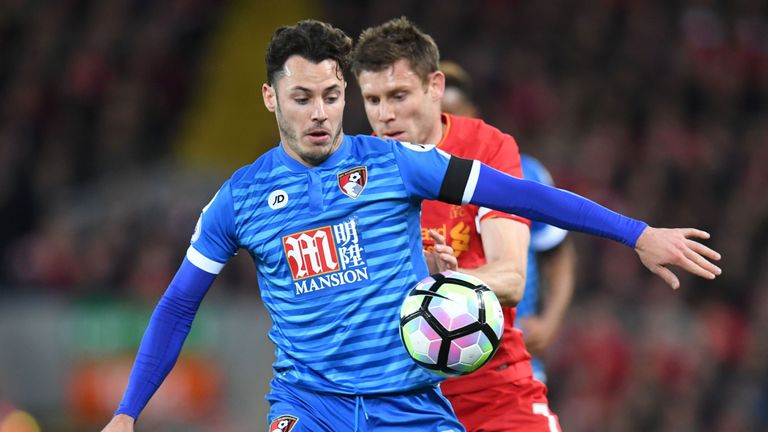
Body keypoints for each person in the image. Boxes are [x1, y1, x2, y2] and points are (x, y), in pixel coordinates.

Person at [102, 19, 721, 432]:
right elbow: (179, 304)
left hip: (411, 407)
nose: (320, 114)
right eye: (301, 98)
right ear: (271, 99)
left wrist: (638, 233)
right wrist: (128, 413)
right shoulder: (237, 200)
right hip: (309, 406)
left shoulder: (399, 165)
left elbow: (526, 196)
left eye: (331, 95)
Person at [351, 18, 716, 431]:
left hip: (492, 389)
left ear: (433, 87)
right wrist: (426, 279)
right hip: (396, 399)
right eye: (373, 100)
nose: (385, 115)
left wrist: (637, 234)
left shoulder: (484, 151)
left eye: (398, 95)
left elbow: (513, 276)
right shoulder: (352, 176)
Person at [440, 60, 577, 384]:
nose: (451, 122)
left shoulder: (522, 171)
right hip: (436, 357)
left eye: (457, 111)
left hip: (512, 357)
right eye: (441, 114)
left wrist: (551, 321)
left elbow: (557, 253)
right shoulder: (413, 181)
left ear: (474, 112)